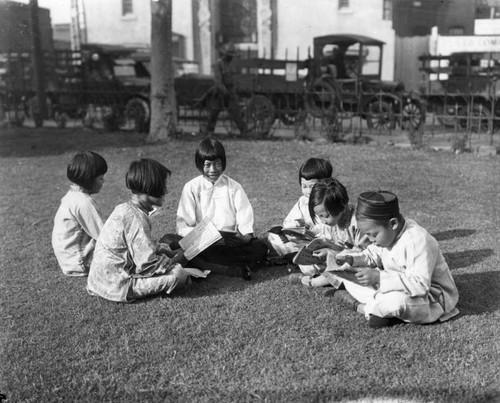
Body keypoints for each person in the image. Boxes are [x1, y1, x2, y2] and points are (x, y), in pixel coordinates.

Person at [334, 190, 460, 328]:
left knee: (396, 301)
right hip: (394, 285)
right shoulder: (388, 235)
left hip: (430, 298)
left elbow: (420, 286)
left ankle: (365, 308)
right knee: (350, 274)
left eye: (373, 235)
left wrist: (379, 278)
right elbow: (372, 254)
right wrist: (351, 260)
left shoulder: (417, 240)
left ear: (393, 224)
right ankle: (380, 308)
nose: (370, 240)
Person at [86, 158, 190, 303]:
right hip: (118, 285)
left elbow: (141, 245)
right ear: (148, 188)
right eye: (162, 186)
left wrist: (166, 252)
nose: (166, 191)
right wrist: (174, 260)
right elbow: (147, 265)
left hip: (100, 281)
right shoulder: (135, 217)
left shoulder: (125, 208)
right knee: (179, 275)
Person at [171, 138, 267, 280]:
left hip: (228, 241)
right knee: (169, 241)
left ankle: (205, 264)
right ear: (199, 164)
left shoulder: (234, 187)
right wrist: (203, 238)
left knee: (260, 246)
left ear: (223, 163)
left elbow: (245, 221)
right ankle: (227, 268)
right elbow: (183, 224)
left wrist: (244, 237)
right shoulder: (191, 187)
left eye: (218, 164)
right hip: (202, 241)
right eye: (208, 165)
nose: (213, 170)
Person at [289, 177, 370, 287]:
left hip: (359, 262)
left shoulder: (357, 223)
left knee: (339, 266)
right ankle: (333, 280)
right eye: (319, 216)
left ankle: (312, 282)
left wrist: (332, 253)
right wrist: (327, 250)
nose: (322, 221)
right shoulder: (330, 222)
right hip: (339, 259)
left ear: (342, 206)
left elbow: (364, 254)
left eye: (326, 216)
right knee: (308, 266)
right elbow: (337, 245)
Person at [261, 158, 333, 263]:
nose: (308, 191)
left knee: (317, 254)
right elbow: (290, 221)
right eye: (304, 186)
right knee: (271, 236)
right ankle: (295, 258)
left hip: (323, 245)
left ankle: (298, 259)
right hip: (302, 242)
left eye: (312, 187)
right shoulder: (303, 201)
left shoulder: (330, 202)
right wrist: (294, 229)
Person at [52, 151, 107, 276]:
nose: (104, 181)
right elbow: (103, 237)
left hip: (68, 260)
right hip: (80, 260)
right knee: (125, 255)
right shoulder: (85, 203)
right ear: (88, 180)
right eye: (100, 178)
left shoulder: (71, 196)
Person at [202, 43, 247, 136]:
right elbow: (218, 80)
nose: (231, 58)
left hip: (230, 92)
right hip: (219, 92)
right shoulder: (218, 64)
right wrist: (224, 91)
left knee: (235, 111)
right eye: (230, 56)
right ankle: (209, 132)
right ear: (225, 55)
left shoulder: (230, 65)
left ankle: (244, 131)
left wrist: (233, 91)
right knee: (214, 112)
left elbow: (233, 79)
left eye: (232, 56)